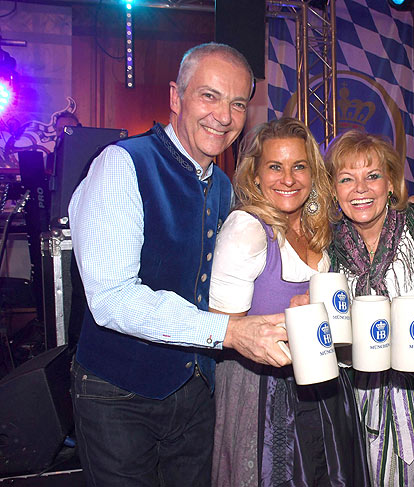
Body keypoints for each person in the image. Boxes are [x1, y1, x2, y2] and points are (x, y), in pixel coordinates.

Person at [68, 43, 290, 487]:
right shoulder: (123, 164)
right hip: (118, 394)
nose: (223, 116)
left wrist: (396, 211)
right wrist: (226, 332)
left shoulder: (224, 186)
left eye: (238, 103)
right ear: (176, 97)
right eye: (209, 96)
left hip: (193, 393)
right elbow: (112, 299)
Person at [210, 117, 370, 487]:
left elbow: (370, 209)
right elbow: (223, 328)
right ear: (255, 175)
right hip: (264, 394)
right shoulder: (247, 229)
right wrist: (288, 319)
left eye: (299, 166)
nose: (288, 178)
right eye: (275, 167)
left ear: (314, 174)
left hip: (321, 383)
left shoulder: (317, 227)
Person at [325, 130, 414, 486]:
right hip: (360, 393)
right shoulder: (324, 244)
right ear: (334, 190)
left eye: (372, 176)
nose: (360, 188)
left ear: (391, 183)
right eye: (346, 178)